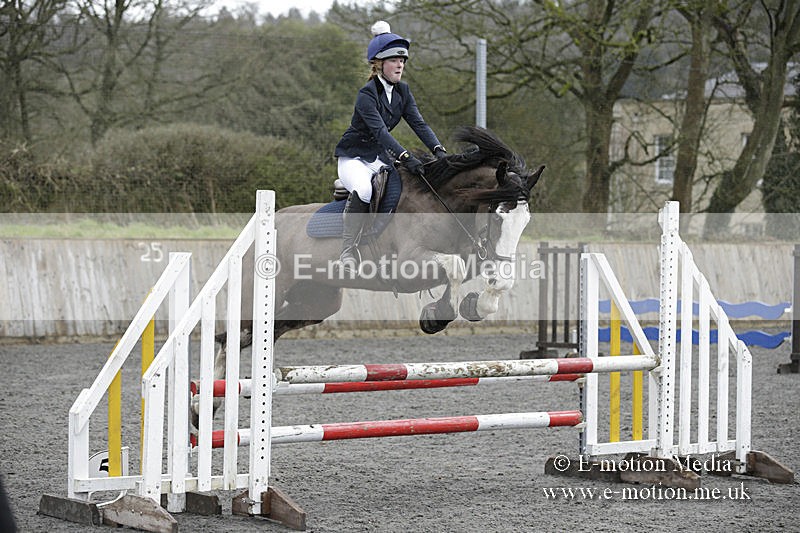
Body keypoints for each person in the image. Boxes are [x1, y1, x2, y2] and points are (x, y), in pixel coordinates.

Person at [334, 20, 447, 272]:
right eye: (395, 60)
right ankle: (348, 250)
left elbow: (419, 124)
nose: (400, 65)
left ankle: (382, 241)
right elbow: (380, 132)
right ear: (379, 64)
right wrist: (405, 156)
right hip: (353, 157)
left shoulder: (403, 92)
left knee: (403, 187)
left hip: (378, 158)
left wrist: (439, 151)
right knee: (364, 190)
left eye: (403, 61)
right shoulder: (367, 94)